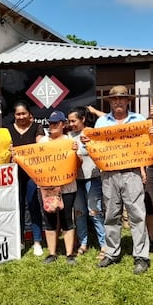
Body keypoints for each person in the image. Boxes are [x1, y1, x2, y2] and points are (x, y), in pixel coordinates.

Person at [88, 85, 152, 275]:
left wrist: (143, 168)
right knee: (111, 214)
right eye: (114, 99)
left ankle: (141, 256)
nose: (118, 102)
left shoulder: (139, 121)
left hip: (132, 172)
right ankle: (112, 252)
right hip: (109, 173)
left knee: (137, 214)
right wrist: (89, 143)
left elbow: (146, 145)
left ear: (128, 101)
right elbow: (96, 148)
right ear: (110, 102)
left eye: (121, 98)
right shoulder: (101, 123)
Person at [38, 111, 79, 264]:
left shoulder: (70, 140)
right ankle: (52, 253)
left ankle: (69, 254)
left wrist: (75, 153)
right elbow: (34, 161)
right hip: (46, 188)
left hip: (67, 187)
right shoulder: (42, 141)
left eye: (56, 123)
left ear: (63, 124)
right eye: (50, 123)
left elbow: (78, 163)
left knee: (67, 218)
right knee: (49, 218)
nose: (52, 126)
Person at [7, 101, 45, 255]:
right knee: (17, 206)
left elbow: (41, 146)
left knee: (33, 204)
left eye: (24, 113)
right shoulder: (7, 130)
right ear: (14, 115)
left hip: (31, 174)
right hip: (14, 174)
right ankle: (20, 240)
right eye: (18, 114)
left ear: (30, 114)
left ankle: (37, 241)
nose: (21, 116)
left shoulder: (37, 127)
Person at [68, 106, 106, 256]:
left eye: (74, 120)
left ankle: (104, 244)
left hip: (93, 178)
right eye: (69, 121)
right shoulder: (68, 137)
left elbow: (102, 151)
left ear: (83, 119)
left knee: (94, 211)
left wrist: (90, 144)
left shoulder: (92, 133)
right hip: (75, 180)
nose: (71, 124)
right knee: (79, 212)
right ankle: (83, 243)